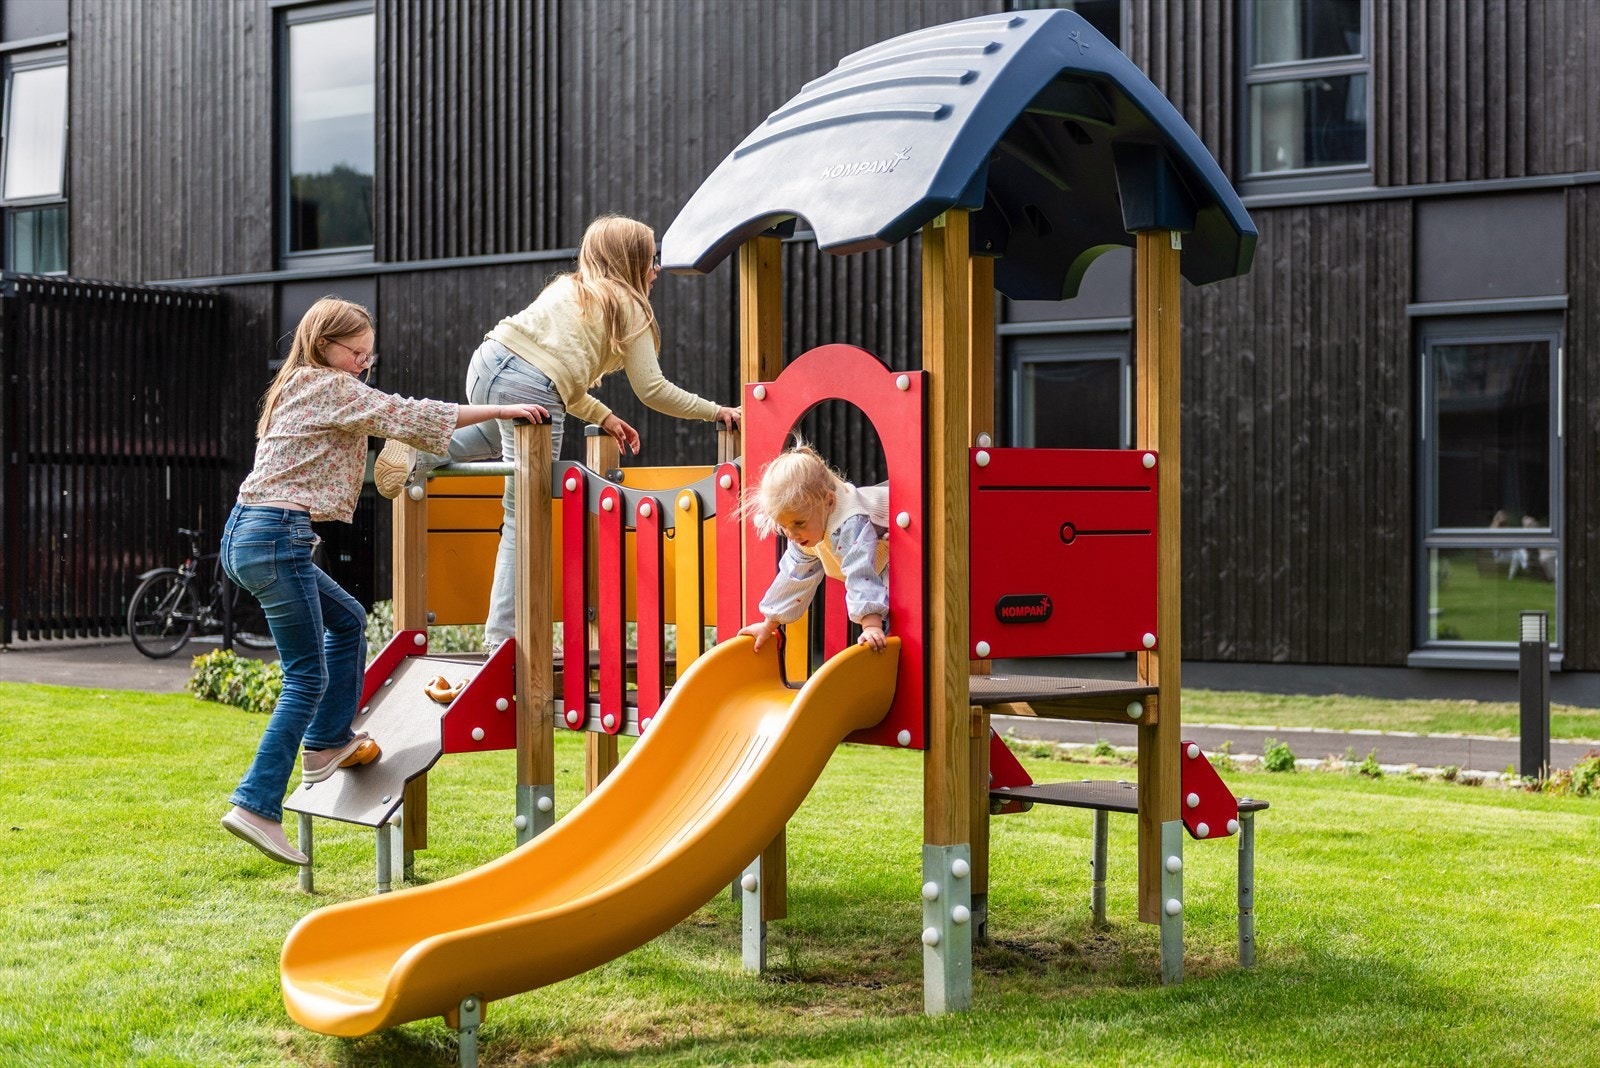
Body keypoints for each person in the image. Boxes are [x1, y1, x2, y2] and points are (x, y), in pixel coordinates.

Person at [218, 297, 548, 866]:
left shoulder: (293, 384)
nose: (363, 366)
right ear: (325, 345)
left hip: (249, 533)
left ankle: (325, 745)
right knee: (305, 674)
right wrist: (503, 412)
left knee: (346, 621)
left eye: (369, 358)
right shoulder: (330, 387)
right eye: (357, 354)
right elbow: (408, 414)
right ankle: (256, 803)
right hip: (276, 535)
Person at [372, 213, 740, 654]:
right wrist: (715, 411)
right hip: (531, 385)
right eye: (651, 258)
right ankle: (501, 643)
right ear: (630, 260)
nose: (656, 268)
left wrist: (602, 414)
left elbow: (556, 369)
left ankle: (421, 451)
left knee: (495, 441)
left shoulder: (569, 288)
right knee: (523, 514)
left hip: (488, 363)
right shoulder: (630, 306)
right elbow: (652, 389)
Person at [738, 441, 890, 654]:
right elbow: (794, 576)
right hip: (881, 560)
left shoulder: (849, 522)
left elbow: (860, 569)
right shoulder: (805, 530)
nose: (792, 534)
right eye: (784, 526)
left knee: (899, 623)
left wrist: (871, 625)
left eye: (799, 523)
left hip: (904, 542)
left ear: (828, 501)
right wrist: (769, 623)